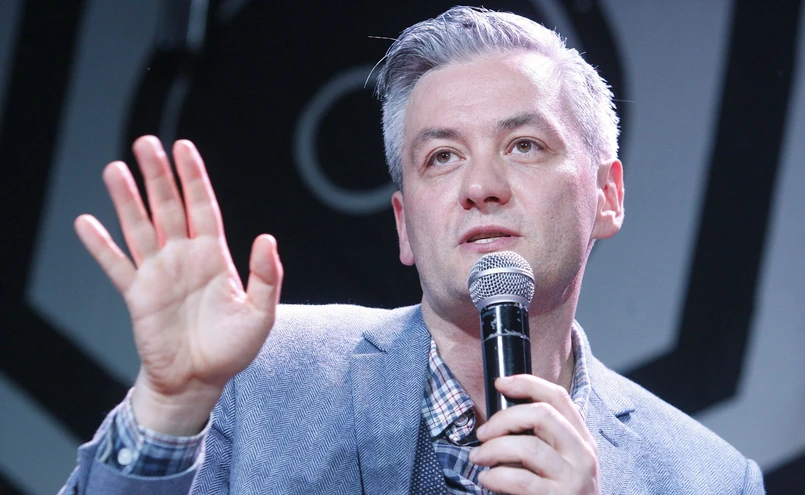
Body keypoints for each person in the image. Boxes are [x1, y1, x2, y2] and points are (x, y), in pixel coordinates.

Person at [60, 6, 764, 494]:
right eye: (441, 157)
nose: (481, 187)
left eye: (524, 145)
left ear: (607, 194)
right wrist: (170, 407)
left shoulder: (706, 478)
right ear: (403, 223)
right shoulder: (259, 372)